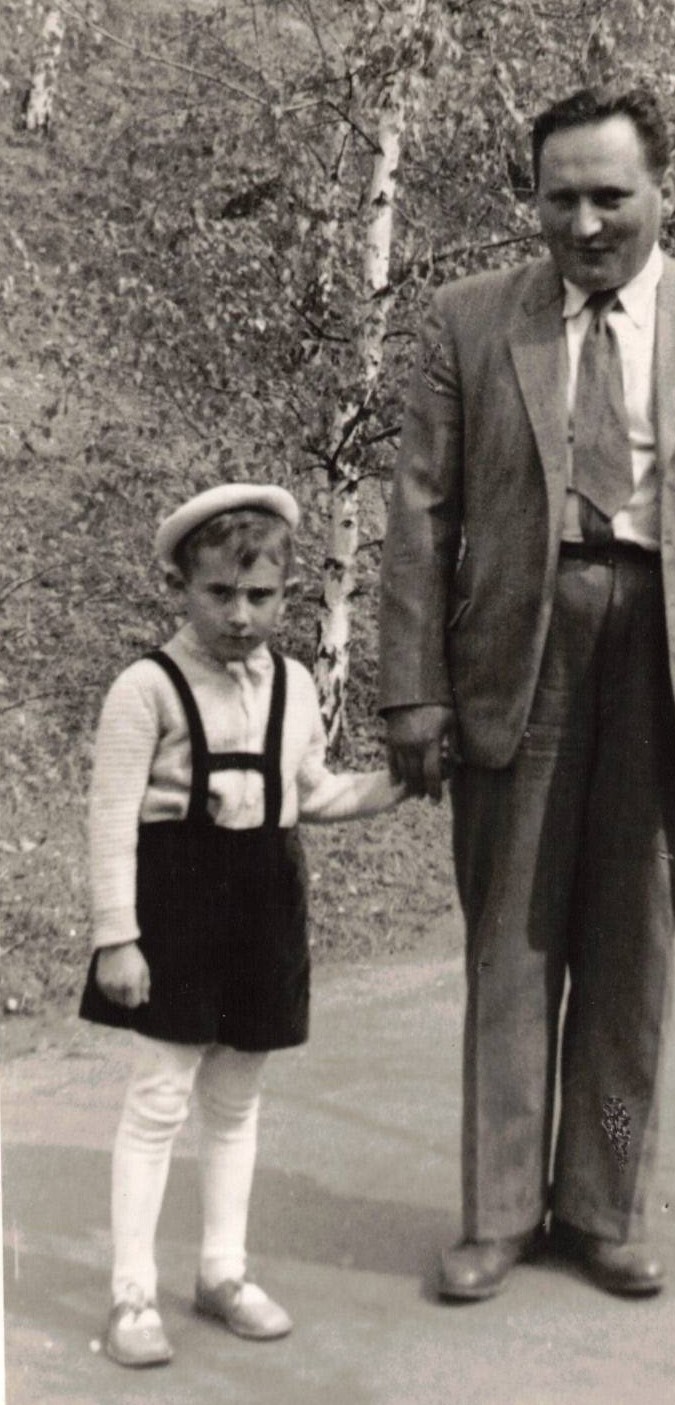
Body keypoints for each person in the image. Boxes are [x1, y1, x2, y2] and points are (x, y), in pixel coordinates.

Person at [379, 85, 675, 1301]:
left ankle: (605, 1206)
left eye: (610, 196)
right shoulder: (470, 320)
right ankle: (499, 1212)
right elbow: (420, 515)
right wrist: (412, 692)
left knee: (631, 958)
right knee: (510, 948)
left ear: (661, 192)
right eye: (558, 198)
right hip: (519, 654)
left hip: (670, 662)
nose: (584, 223)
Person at [79, 483, 407, 1367]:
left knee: (235, 1101)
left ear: (287, 593)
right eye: (219, 593)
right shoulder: (144, 688)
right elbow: (111, 820)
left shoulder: (294, 685)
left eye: (259, 595)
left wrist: (399, 783)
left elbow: (313, 792)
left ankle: (222, 1270)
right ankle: (132, 1291)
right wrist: (117, 935)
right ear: (181, 586)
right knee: (159, 1097)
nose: (239, 615)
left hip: (264, 907)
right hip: (175, 910)